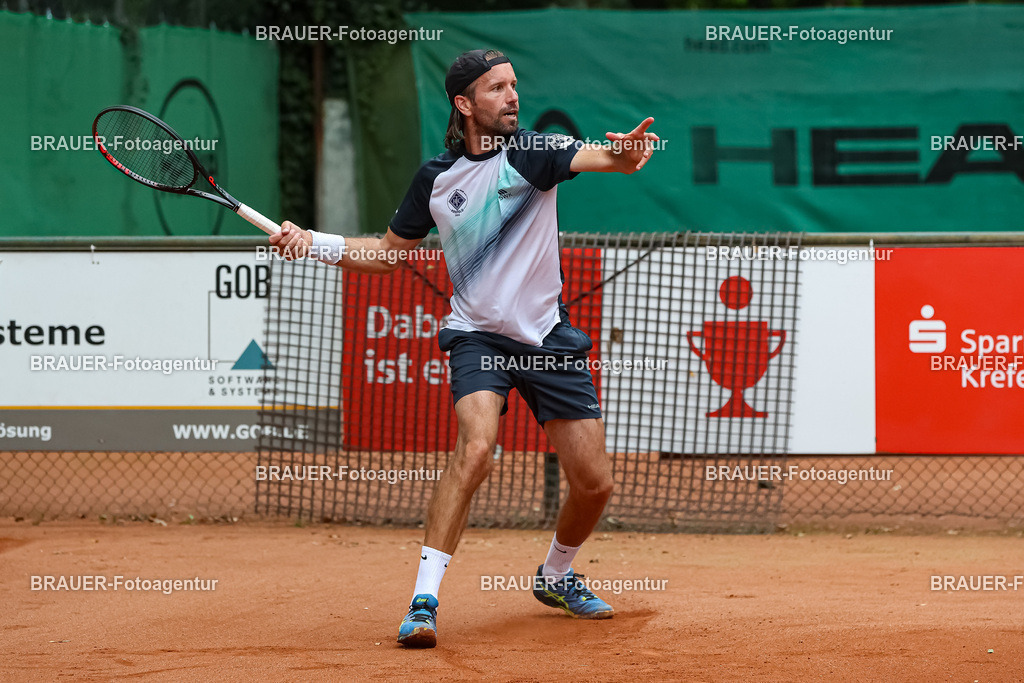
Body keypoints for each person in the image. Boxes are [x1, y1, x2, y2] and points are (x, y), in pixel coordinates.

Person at [270, 48, 658, 649]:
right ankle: (423, 601)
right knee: (476, 448)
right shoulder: (435, 179)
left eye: (514, 85)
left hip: (547, 337)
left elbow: (613, 158)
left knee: (595, 484)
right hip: (478, 336)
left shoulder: (536, 152)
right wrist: (312, 242)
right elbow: (386, 254)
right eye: (497, 88)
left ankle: (555, 576)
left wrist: (631, 152)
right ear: (464, 103)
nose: (513, 97)